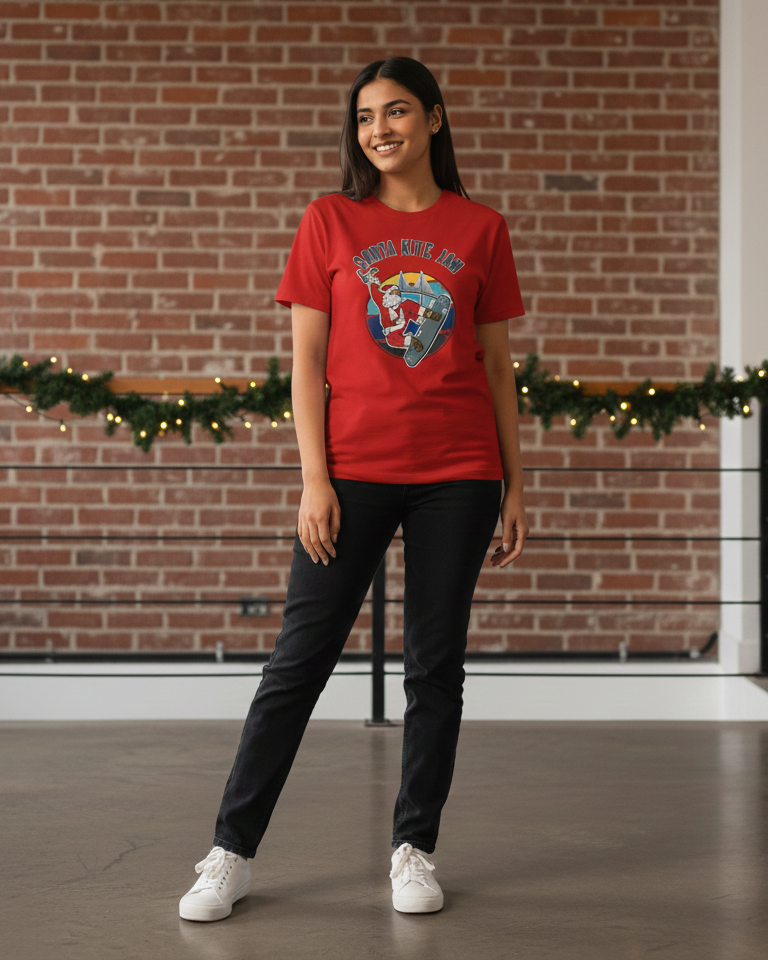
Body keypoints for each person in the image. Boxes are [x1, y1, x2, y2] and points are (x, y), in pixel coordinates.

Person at [179, 56, 528, 923]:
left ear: (436, 120)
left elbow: (495, 368)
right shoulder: (330, 220)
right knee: (297, 664)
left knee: (434, 669)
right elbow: (303, 360)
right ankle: (229, 851)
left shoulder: (481, 228)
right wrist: (314, 479)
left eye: (399, 112)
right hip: (353, 474)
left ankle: (414, 849)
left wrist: (517, 484)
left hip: (460, 474)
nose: (381, 129)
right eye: (367, 116)